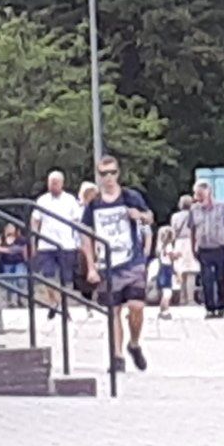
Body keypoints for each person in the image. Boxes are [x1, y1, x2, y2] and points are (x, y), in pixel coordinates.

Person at [81, 155, 153, 372]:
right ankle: (117, 356)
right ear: (99, 176)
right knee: (113, 310)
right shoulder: (94, 204)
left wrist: (139, 216)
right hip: (107, 264)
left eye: (112, 172)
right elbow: (86, 235)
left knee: (136, 306)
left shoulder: (130, 197)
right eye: (104, 174)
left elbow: (149, 218)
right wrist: (91, 266)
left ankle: (134, 343)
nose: (109, 177)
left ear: (118, 173)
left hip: (132, 260)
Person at [30, 171, 85, 318]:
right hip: (46, 244)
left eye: (55, 182)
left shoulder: (70, 200)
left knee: (65, 279)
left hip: (66, 244)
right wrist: (33, 240)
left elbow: (77, 220)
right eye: (50, 182)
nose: (53, 185)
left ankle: (62, 304)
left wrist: (79, 241)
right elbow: (35, 220)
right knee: (47, 275)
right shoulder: (42, 200)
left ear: (62, 183)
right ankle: (56, 302)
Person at [183, 178, 224, 319]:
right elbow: (192, 230)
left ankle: (221, 306)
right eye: (197, 194)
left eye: (201, 194)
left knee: (220, 277)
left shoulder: (222, 207)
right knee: (207, 279)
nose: (198, 197)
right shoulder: (194, 210)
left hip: (220, 246)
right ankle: (210, 308)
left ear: (209, 192)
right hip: (204, 248)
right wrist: (192, 247)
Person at [0, 223, 29, 307]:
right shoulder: (1, 238)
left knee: (20, 279)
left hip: (19, 262)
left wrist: (2, 249)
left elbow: (17, 249)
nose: (10, 229)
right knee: (10, 282)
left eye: (12, 228)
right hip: (6, 263)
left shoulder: (20, 239)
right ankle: (11, 301)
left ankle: (20, 298)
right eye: (8, 228)